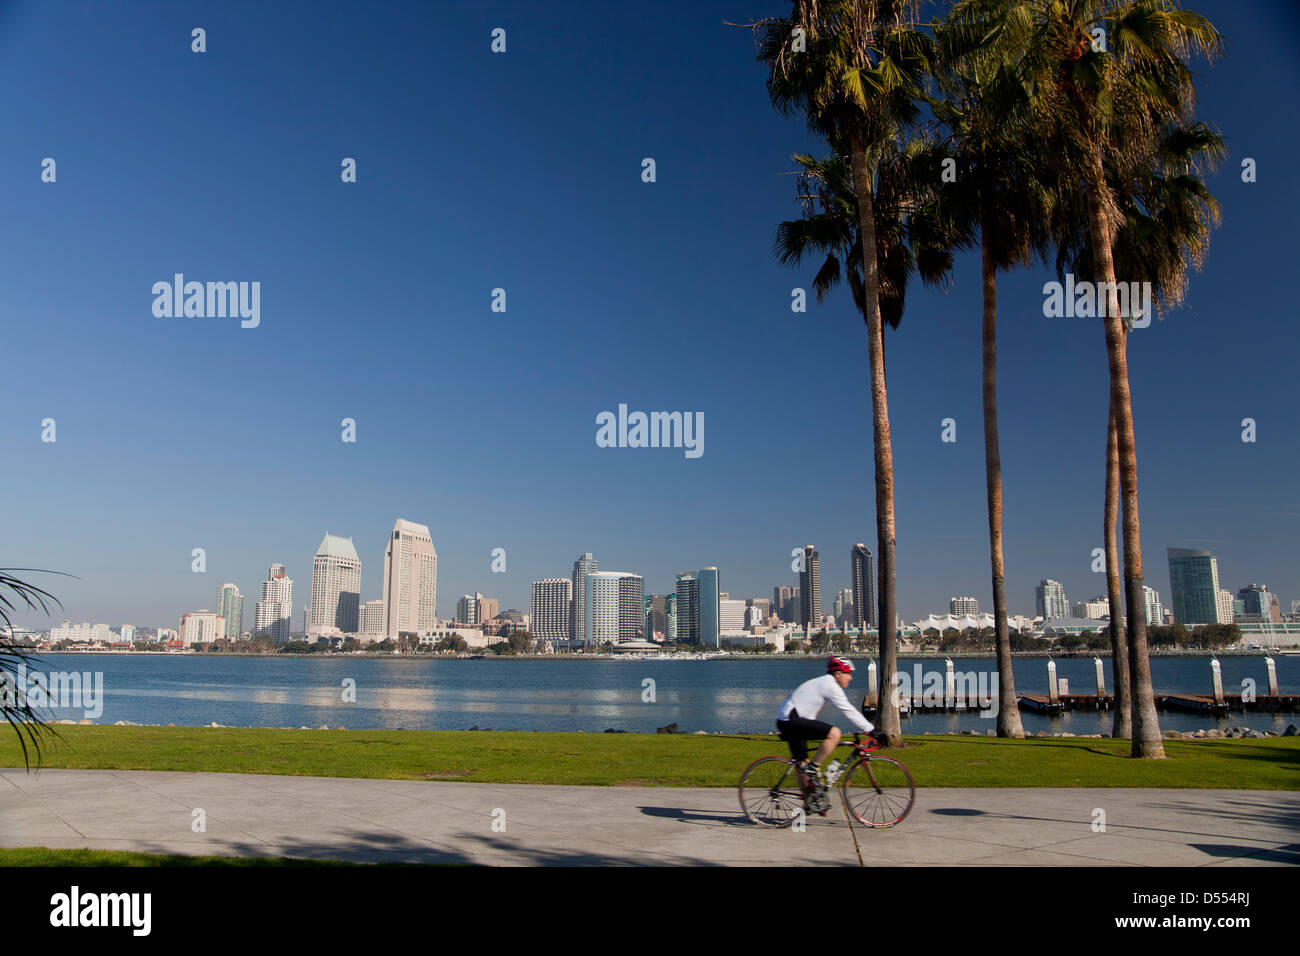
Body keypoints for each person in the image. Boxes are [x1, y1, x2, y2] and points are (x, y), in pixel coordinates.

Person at [776, 657, 878, 791]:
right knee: (835, 734)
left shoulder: (825, 682)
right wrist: (871, 730)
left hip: (789, 719)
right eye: (848, 674)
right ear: (838, 674)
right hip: (790, 719)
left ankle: (810, 802)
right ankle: (814, 767)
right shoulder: (830, 685)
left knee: (802, 764)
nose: (851, 678)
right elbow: (848, 710)